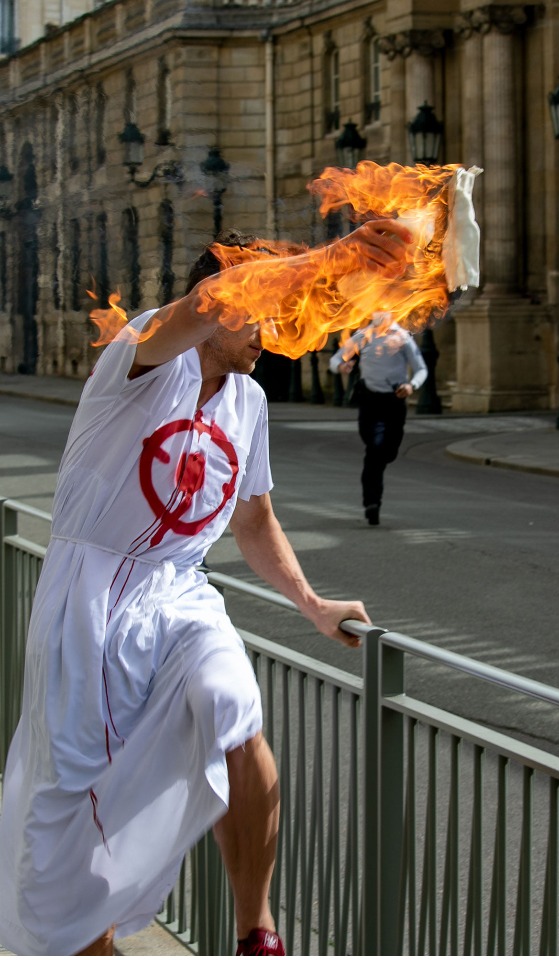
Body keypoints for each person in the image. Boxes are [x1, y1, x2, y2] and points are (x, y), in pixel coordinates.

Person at [0, 220, 414, 956]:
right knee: (77, 797)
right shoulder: (143, 354)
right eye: (267, 309)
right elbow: (204, 301)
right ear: (226, 303)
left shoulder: (249, 404)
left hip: (180, 590)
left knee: (235, 711)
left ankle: (256, 929)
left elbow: (255, 521)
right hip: (91, 595)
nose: (279, 329)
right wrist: (333, 256)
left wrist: (313, 605)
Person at [328, 312, 428, 525]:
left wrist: (411, 386)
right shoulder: (363, 336)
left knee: (387, 451)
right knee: (374, 447)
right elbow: (336, 358)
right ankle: (372, 502)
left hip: (394, 401)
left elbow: (421, 369)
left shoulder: (402, 337)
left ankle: (373, 493)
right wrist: (341, 366)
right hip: (370, 401)